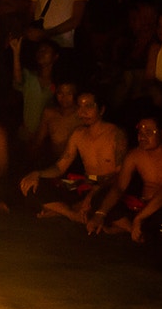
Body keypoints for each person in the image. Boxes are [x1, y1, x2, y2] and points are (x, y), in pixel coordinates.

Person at [20, 92, 128, 223]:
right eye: (80, 107)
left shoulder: (116, 135)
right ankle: (71, 213)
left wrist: (95, 191)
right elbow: (60, 167)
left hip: (107, 187)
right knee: (32, 187)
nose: (83, 112)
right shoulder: (78, 134)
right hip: (86, 184)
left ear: (101, 109)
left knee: (104, 199)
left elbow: (120, 176)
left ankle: (63, 211)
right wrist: (37, 174)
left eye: (89, 106)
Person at [86, 115, 162, 242]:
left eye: (148, 132)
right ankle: (131, 229)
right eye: (140, 132)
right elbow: (119, 187)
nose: (142, 137)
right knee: (100, 198)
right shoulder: (134, 154)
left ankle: (131, 228)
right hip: (140, 206)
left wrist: (140, 217)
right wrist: (100, 214)